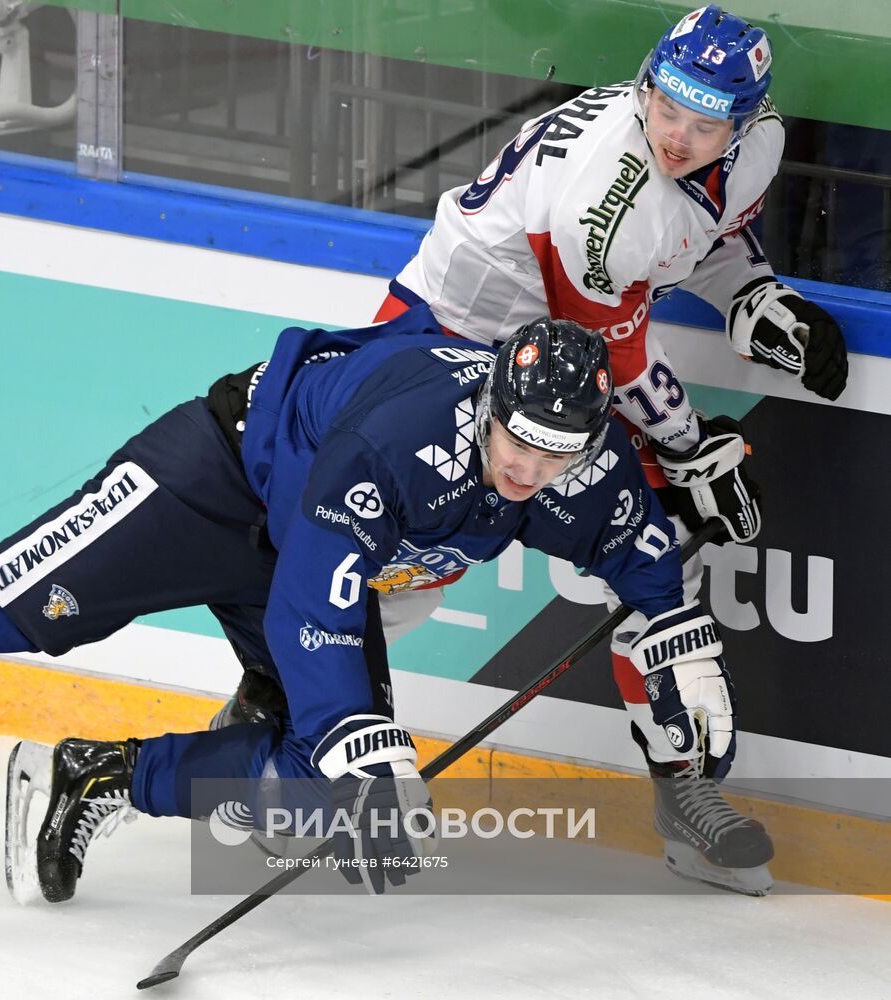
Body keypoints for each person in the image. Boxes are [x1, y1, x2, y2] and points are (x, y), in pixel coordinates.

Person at [0, 309, 773, 899]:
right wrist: (364, 740)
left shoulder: (576, 462)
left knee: (344, 801)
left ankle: (102, 773)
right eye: (515, 443)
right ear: (491, 405)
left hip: (312, 554)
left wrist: (670, 635)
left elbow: (634, 551)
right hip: (209, 484)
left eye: (553, 458)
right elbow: (316, 596)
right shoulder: (404, 432)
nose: (526, 471)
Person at [361, 4, 848, 778]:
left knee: (656, 549)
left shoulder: (757, 146)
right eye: (667, 107)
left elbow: (706, 232)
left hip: (560, 348)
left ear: (747, 125)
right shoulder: (605, 203)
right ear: (646, 85)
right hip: (450, 336)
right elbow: (612, 359)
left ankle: (683, 786)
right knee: (402, 562)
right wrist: (690, 445)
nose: (678, 136)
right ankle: (273, 728)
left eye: (706, 124)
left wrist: (752, 292)